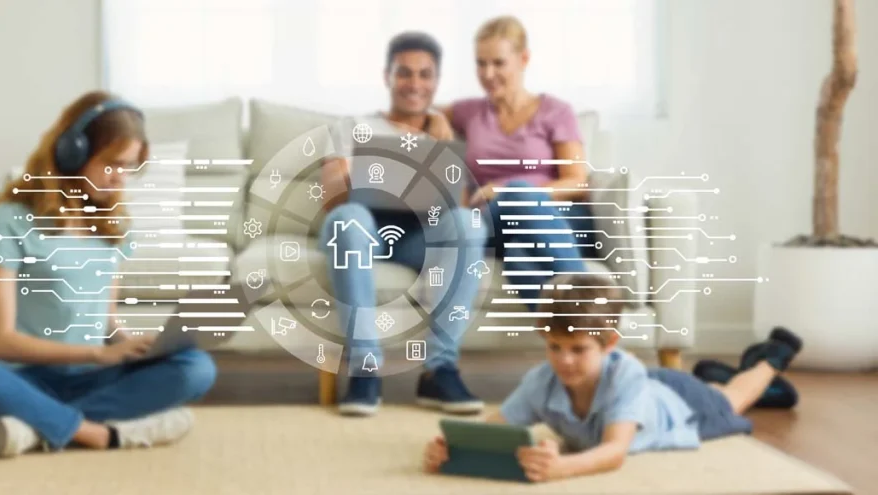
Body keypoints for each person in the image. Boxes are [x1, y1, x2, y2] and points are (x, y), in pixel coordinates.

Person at [0, 91, 217, 458]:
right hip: (25, 380)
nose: (121, 179)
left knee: (196, 369)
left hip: (93, 380)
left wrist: (136, 346)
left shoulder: (114, 227)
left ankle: (35, 428)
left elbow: (106, 321)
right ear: (72, 153)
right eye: (112, 164)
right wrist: (97, 354)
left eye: (129, 167)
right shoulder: (12, 221)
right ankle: (100, 433)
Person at [422, 273, 804, 482]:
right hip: (647, 390)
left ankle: (771, 359)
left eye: (578, 349)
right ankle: (720, 374)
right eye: (554, 347)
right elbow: (496, 428)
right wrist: (451, 448)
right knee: (717, 387)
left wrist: (562, 469)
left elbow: (614, 452)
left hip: (679, 403)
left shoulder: (626, 375)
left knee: (732, 400)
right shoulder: (543, 380)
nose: (564, 360)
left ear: (609, 344)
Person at [319, 32, 487, 417]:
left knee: (469, 225)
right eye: (405, 73)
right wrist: (364, 176)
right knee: (348, 219)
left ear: (436, 81)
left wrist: (436, 152)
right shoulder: (352, 126)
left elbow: (456, 208)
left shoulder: (447, 134)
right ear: (387, 76)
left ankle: (439, 370)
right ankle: (365, 368)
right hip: (364, 229)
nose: (415, 83)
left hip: (419, 235)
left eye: (425, 75)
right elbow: (331, 201)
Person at [440, 16, 596, 303]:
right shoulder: (468, 112)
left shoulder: (555, 112)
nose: (487, 74)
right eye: (480, 63)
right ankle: (595, 322)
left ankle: (573, 340)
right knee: (514, 203)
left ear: (523, 59)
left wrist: (508, 191)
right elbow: (425, 119)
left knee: (519, 258)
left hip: (558, 217)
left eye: (498, 63)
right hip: (495, 220)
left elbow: (578, 182)